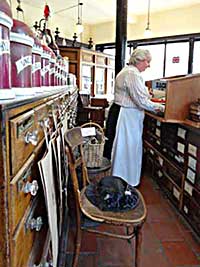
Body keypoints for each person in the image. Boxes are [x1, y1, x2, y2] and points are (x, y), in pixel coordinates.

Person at [111, 48, 165, 187]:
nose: (148, 65)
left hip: (127, 114)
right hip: (127, 116)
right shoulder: (132, 74)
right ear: (139, 60)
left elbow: (140, 96)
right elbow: (141, 100)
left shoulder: (127, 71)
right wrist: (161, 108)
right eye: (148, 61)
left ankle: (121, 180)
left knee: (125, 148)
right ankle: (125, 181)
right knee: (127, 148)